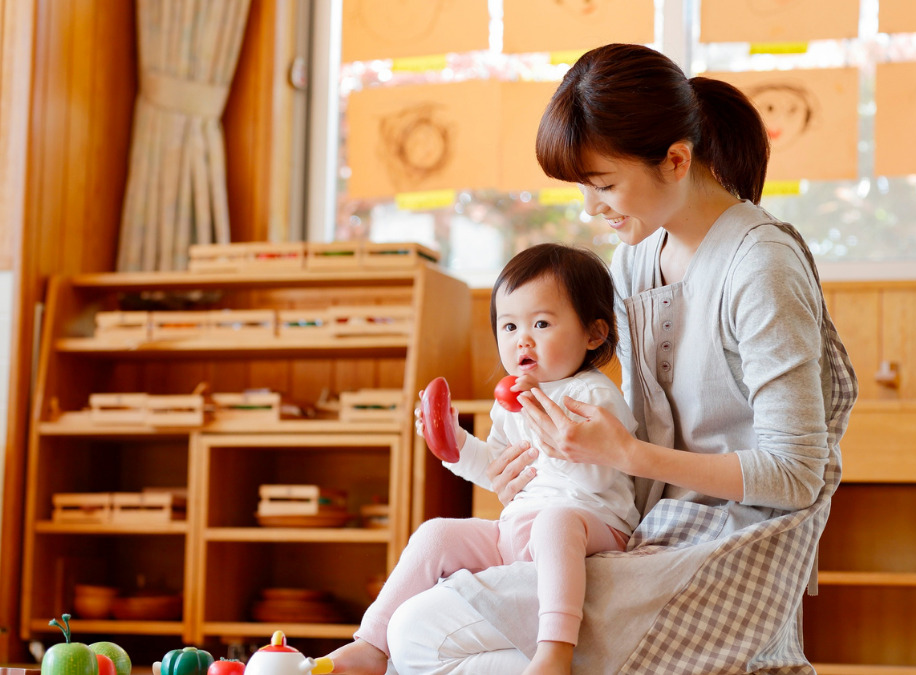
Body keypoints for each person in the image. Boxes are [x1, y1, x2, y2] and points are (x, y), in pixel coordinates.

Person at [325, 42, 858, 675]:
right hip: (647, 532)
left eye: (603, 185)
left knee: (427, 632)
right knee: (423, 619)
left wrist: (623, 456)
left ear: (677, 159)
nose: (590, 208)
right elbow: (625, 429)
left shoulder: (760, 264)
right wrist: (538, 468)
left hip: (731, 549)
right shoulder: (635, 259)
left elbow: (796, 474)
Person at [348, 243, 639, 675]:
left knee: (555, 522)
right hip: (518, 529)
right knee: (436, 533)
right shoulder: (510, 403)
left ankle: (555, 650)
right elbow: (504, 472)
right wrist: (455, 445)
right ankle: (370, 644)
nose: (522, 338)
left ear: (593, 334)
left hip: (589, 524)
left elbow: (598, 478)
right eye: (508, 326)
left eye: (541, 323)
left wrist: (556, 439)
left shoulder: (590, 394)